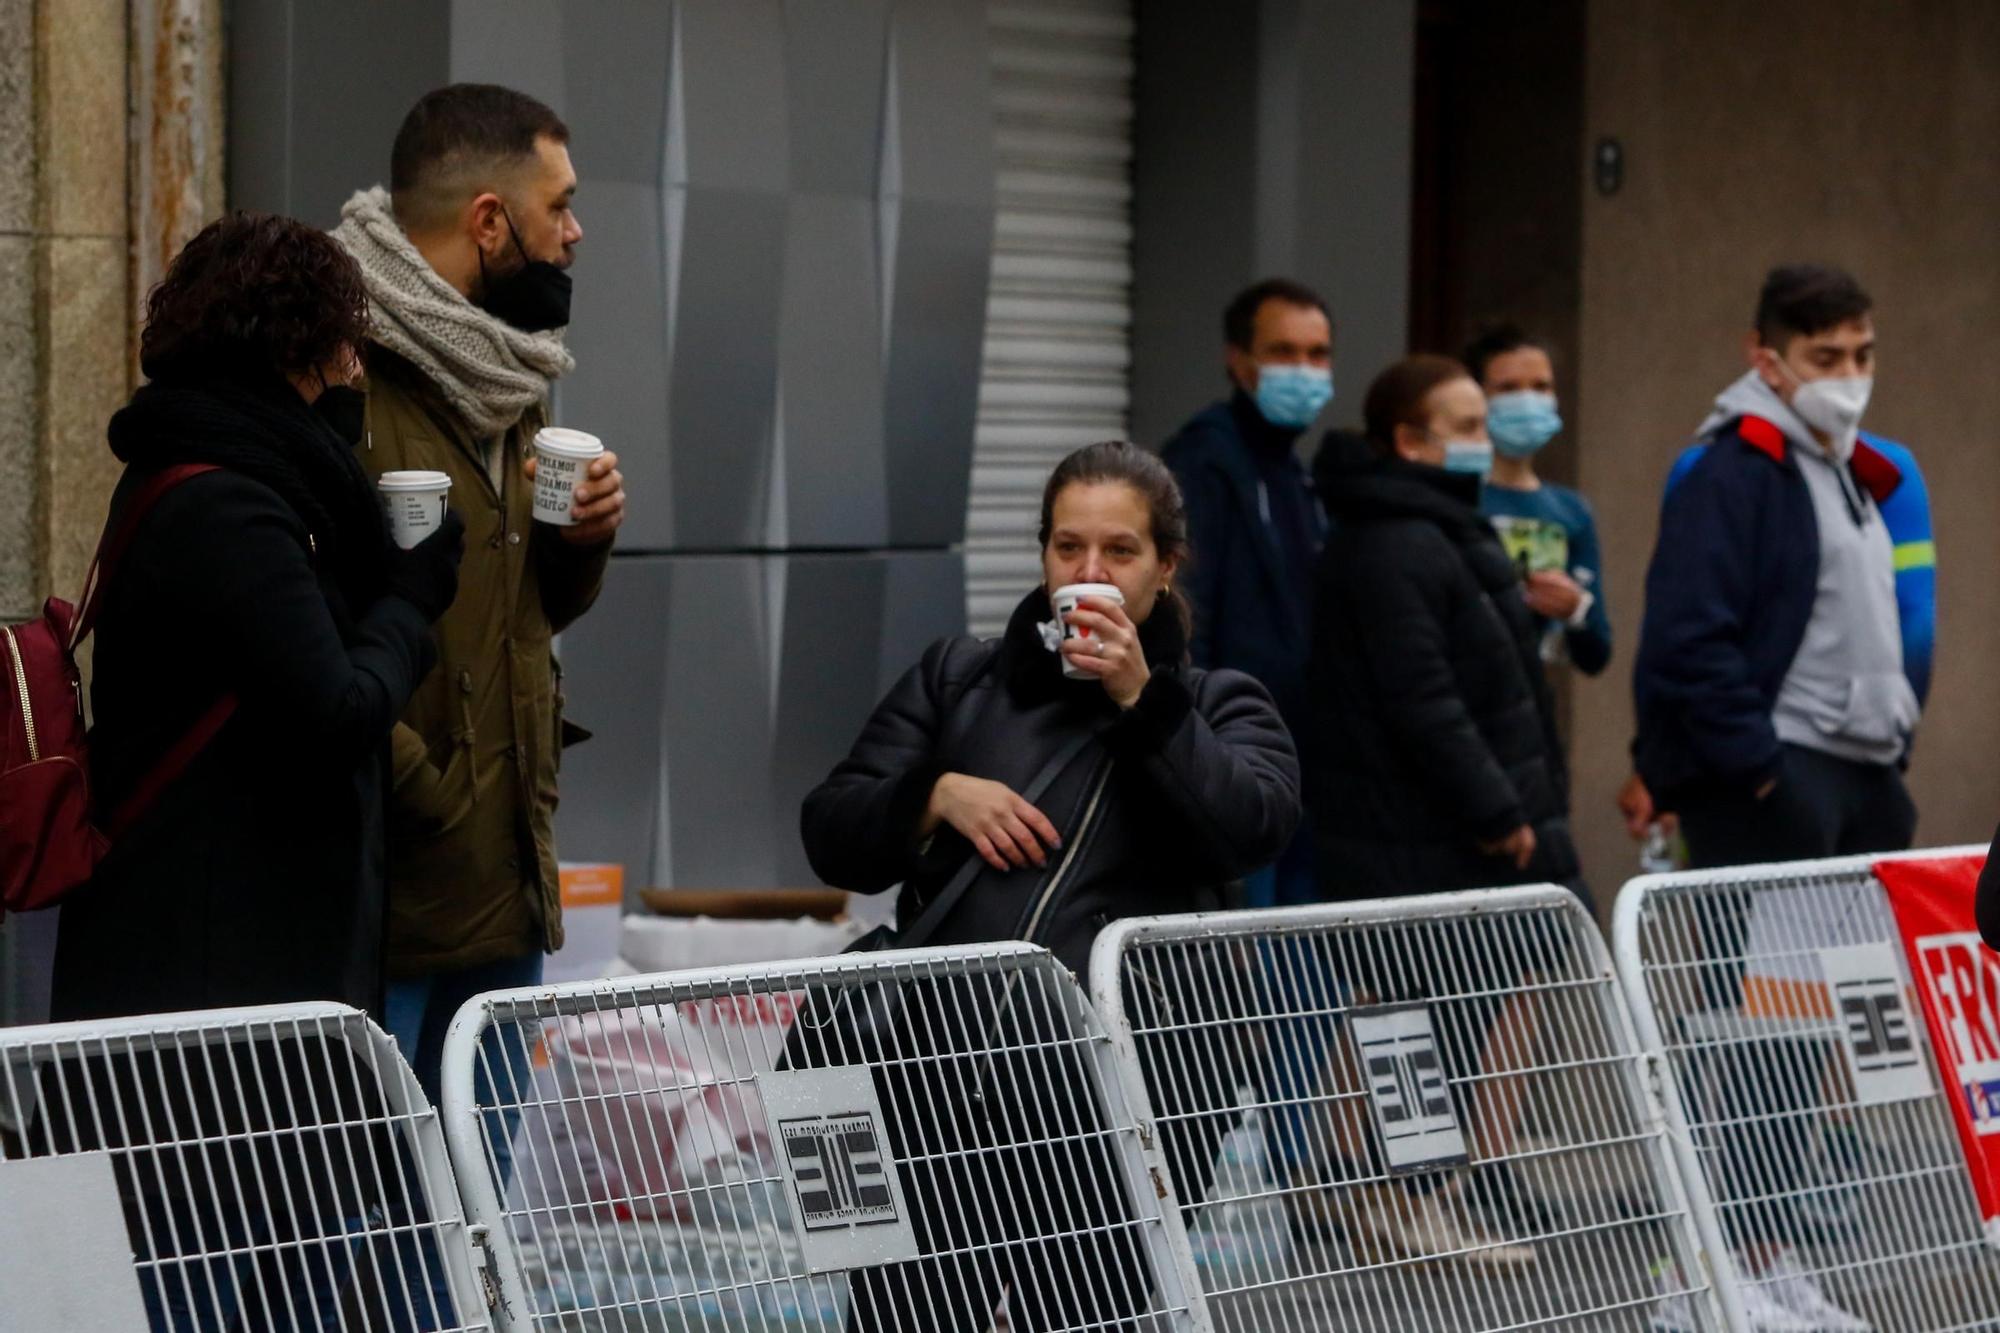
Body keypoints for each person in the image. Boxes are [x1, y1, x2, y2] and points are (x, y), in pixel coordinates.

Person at [45, 212, 464, 1330]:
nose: (356, 369)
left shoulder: (240, 479)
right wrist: (411, 605)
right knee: (204, 1275)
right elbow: (334, 706)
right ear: (296, 346)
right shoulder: (226, 501)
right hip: (212, 1002)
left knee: (283, 1264)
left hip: (250, 981)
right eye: (344, 343)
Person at [801, 441, 1299, 1331]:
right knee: (898, 1315)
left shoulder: (1220, 700)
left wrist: (1144, 701)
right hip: (932, 1084)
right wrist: (932, 797)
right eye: (1069, 547)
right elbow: (831, 832)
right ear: (1042, 555)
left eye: (1120, 551)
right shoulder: (960, 677)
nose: (1090, 571)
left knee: (1080, 1317)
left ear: (1166, 566)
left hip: (1120, 1101)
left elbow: (1247, 829)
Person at [331, 84, 625, 1110]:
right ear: (490, 221)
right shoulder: (341, 372)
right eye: (559, 208)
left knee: (471, 1213)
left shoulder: (504, 371)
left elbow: (518, 615)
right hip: (397, 887)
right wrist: (438, 796)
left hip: (504, 874)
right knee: (367, 1205)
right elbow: (316, 634)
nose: (574, 234)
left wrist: (580, 542)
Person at [1630, 263, 1901, 1332]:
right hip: (1770, 788)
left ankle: (1769, 1254)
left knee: (1796, 1043)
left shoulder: (1842, 470)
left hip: (1846, 784)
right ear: (1766, 359)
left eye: (1860, 355)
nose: (1846, 377)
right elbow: (1689, 643)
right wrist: (1762, 776)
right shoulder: (1730, 471)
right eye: (1824, 358)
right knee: (1739, 1042)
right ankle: (1696, 1278)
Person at [1303, 355, 1584, 1264]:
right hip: (1432, 833)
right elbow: (1424, 700)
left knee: (1450, 1012)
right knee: (1423, 1017)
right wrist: (1499, 809)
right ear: (1408, 442)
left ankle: (1418, 1190)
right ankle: (1399, 1193)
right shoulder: (1394, 543)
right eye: (1465, 426)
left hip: (1451, 829)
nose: (1485, 439)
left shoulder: (1435, 528)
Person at [1161, 277, 1331, 909]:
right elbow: (1185, 607)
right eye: (1284, 352)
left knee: (1299, 952)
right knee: (1246, 964)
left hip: (1299, 759)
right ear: (1239, 360)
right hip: (1237, 759)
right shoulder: (1206, 461)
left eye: (1318, 354)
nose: (1305, 370)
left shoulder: (1294, 472)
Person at [1463, 323, 1612, 676]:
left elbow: (1597, 655)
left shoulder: (1572, 512)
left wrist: (1575, 609)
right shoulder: (1455, 500)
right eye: (1508, 388)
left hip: (1529, 706)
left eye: (1541, 387)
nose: (1527, 400)